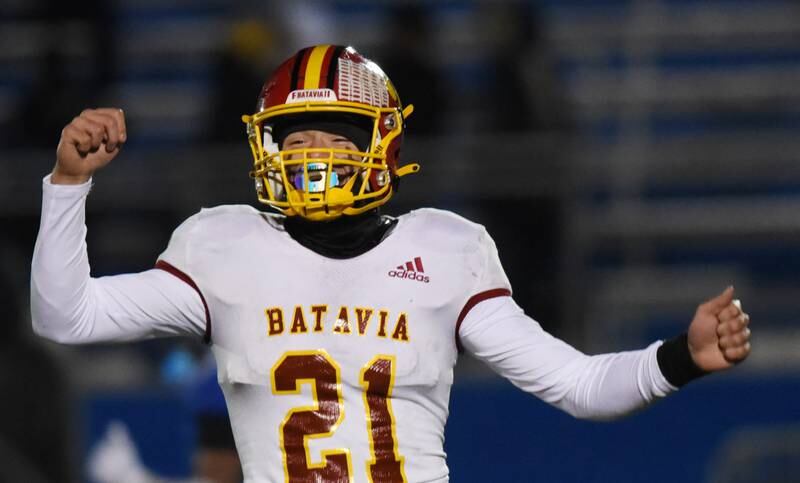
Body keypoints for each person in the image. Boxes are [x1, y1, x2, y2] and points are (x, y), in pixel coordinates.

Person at [31, 45, 752, 483]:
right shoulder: (224, 245)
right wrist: (69, 186)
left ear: (382, 144)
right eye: (294, 134)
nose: (311, 149)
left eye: (333, 133)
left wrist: (678, 358)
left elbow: (580, 384)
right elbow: (65, 314)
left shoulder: (446, 249)